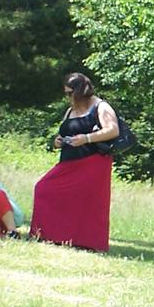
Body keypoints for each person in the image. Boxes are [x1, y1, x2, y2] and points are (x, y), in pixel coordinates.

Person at [29, 73, 120, 252]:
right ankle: (48, 234)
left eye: (70, 93)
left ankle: (86, 241)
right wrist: (58, 141)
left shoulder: (101, 106)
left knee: (86, 204)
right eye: (66, 93)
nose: (68, 97)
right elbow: (64, 131)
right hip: (68, 163)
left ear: (80, 91)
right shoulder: (70, 110)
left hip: (92, 163)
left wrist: (86, 138)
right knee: (44, 188)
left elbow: (113, 130)